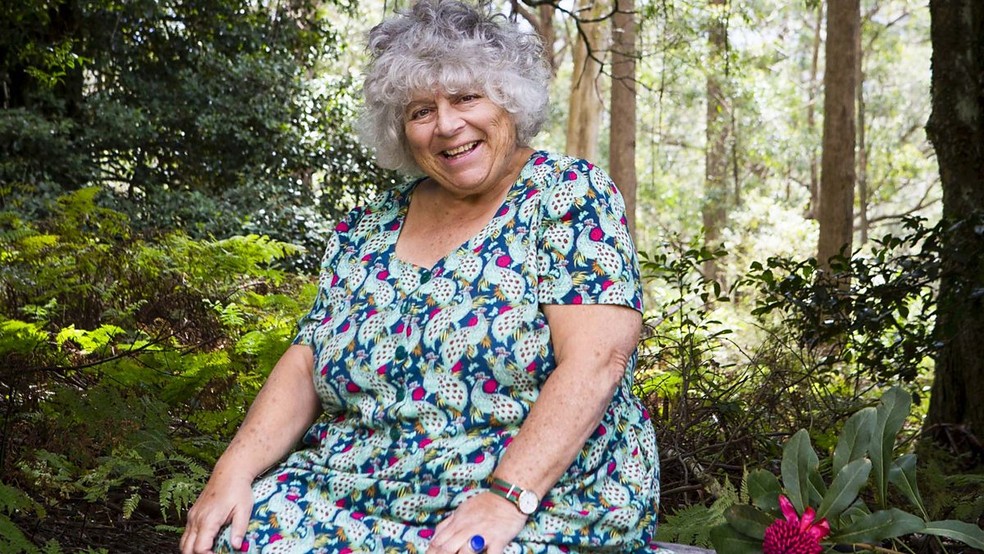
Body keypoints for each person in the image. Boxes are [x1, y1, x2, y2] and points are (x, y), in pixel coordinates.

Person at [180, 1, 660, 552]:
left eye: (466, 97)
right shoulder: (367, 228)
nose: (447, 125)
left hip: (544, 497)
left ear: (509, 100)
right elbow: (307, 359)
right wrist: (233, 470)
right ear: (400, 130)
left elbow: (599, 360)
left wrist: (507, 498)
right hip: (356, 491)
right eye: (420, 111)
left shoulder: (568, 194)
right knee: (235, 533)